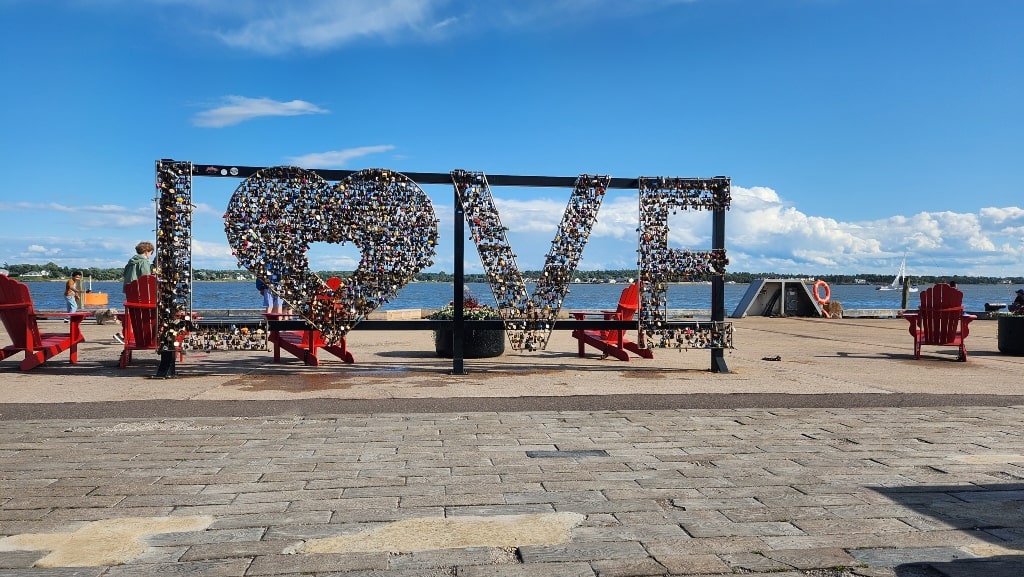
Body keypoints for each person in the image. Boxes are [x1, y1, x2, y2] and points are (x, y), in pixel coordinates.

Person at [114, 241, 155, 343]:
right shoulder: (143, 262)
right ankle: (146, 337)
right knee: (146, 314)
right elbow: (146, 279)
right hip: (140, 292)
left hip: (130, 292)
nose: (150, 256)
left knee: (133, 314)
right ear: (146, 252)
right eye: (151, 253)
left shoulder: (131, 262)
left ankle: (125, 334)